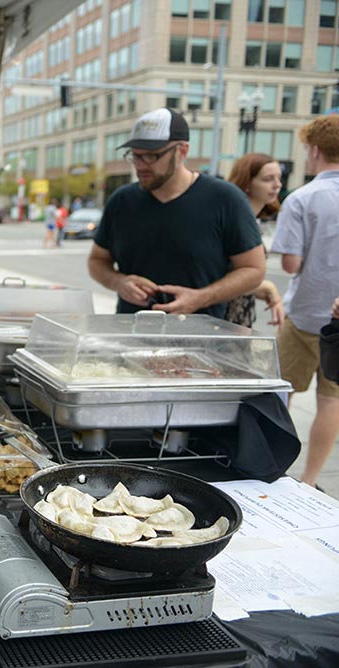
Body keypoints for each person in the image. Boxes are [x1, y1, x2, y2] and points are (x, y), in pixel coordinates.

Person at [87, 108, 264, 318]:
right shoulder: (121, 201)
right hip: (130, 331)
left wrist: (201, 297)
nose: (140, 165)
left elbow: (254, 270)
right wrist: (119, 282)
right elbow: (97, 261)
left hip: (200, 333)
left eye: (151, 156)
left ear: (182, 151)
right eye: (135, 155)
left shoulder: (225, 199)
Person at [269, 115, 339, 487]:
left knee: (281, 393)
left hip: (306, 314)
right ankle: (310, 481)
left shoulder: (302, 198)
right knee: (331, 400)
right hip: (337, 322)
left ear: (313, 150)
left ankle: (273, 472)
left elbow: (291, 264)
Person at [223, 153, 286, 329]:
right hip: (224, 319)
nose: (277, 185)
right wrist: (267, 286)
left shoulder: (251, 221)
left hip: (239, 317)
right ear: (247, 183)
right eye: (268, 179)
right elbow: (225, 277)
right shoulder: (233, 222)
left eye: (279, 178)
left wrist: (265, 288)